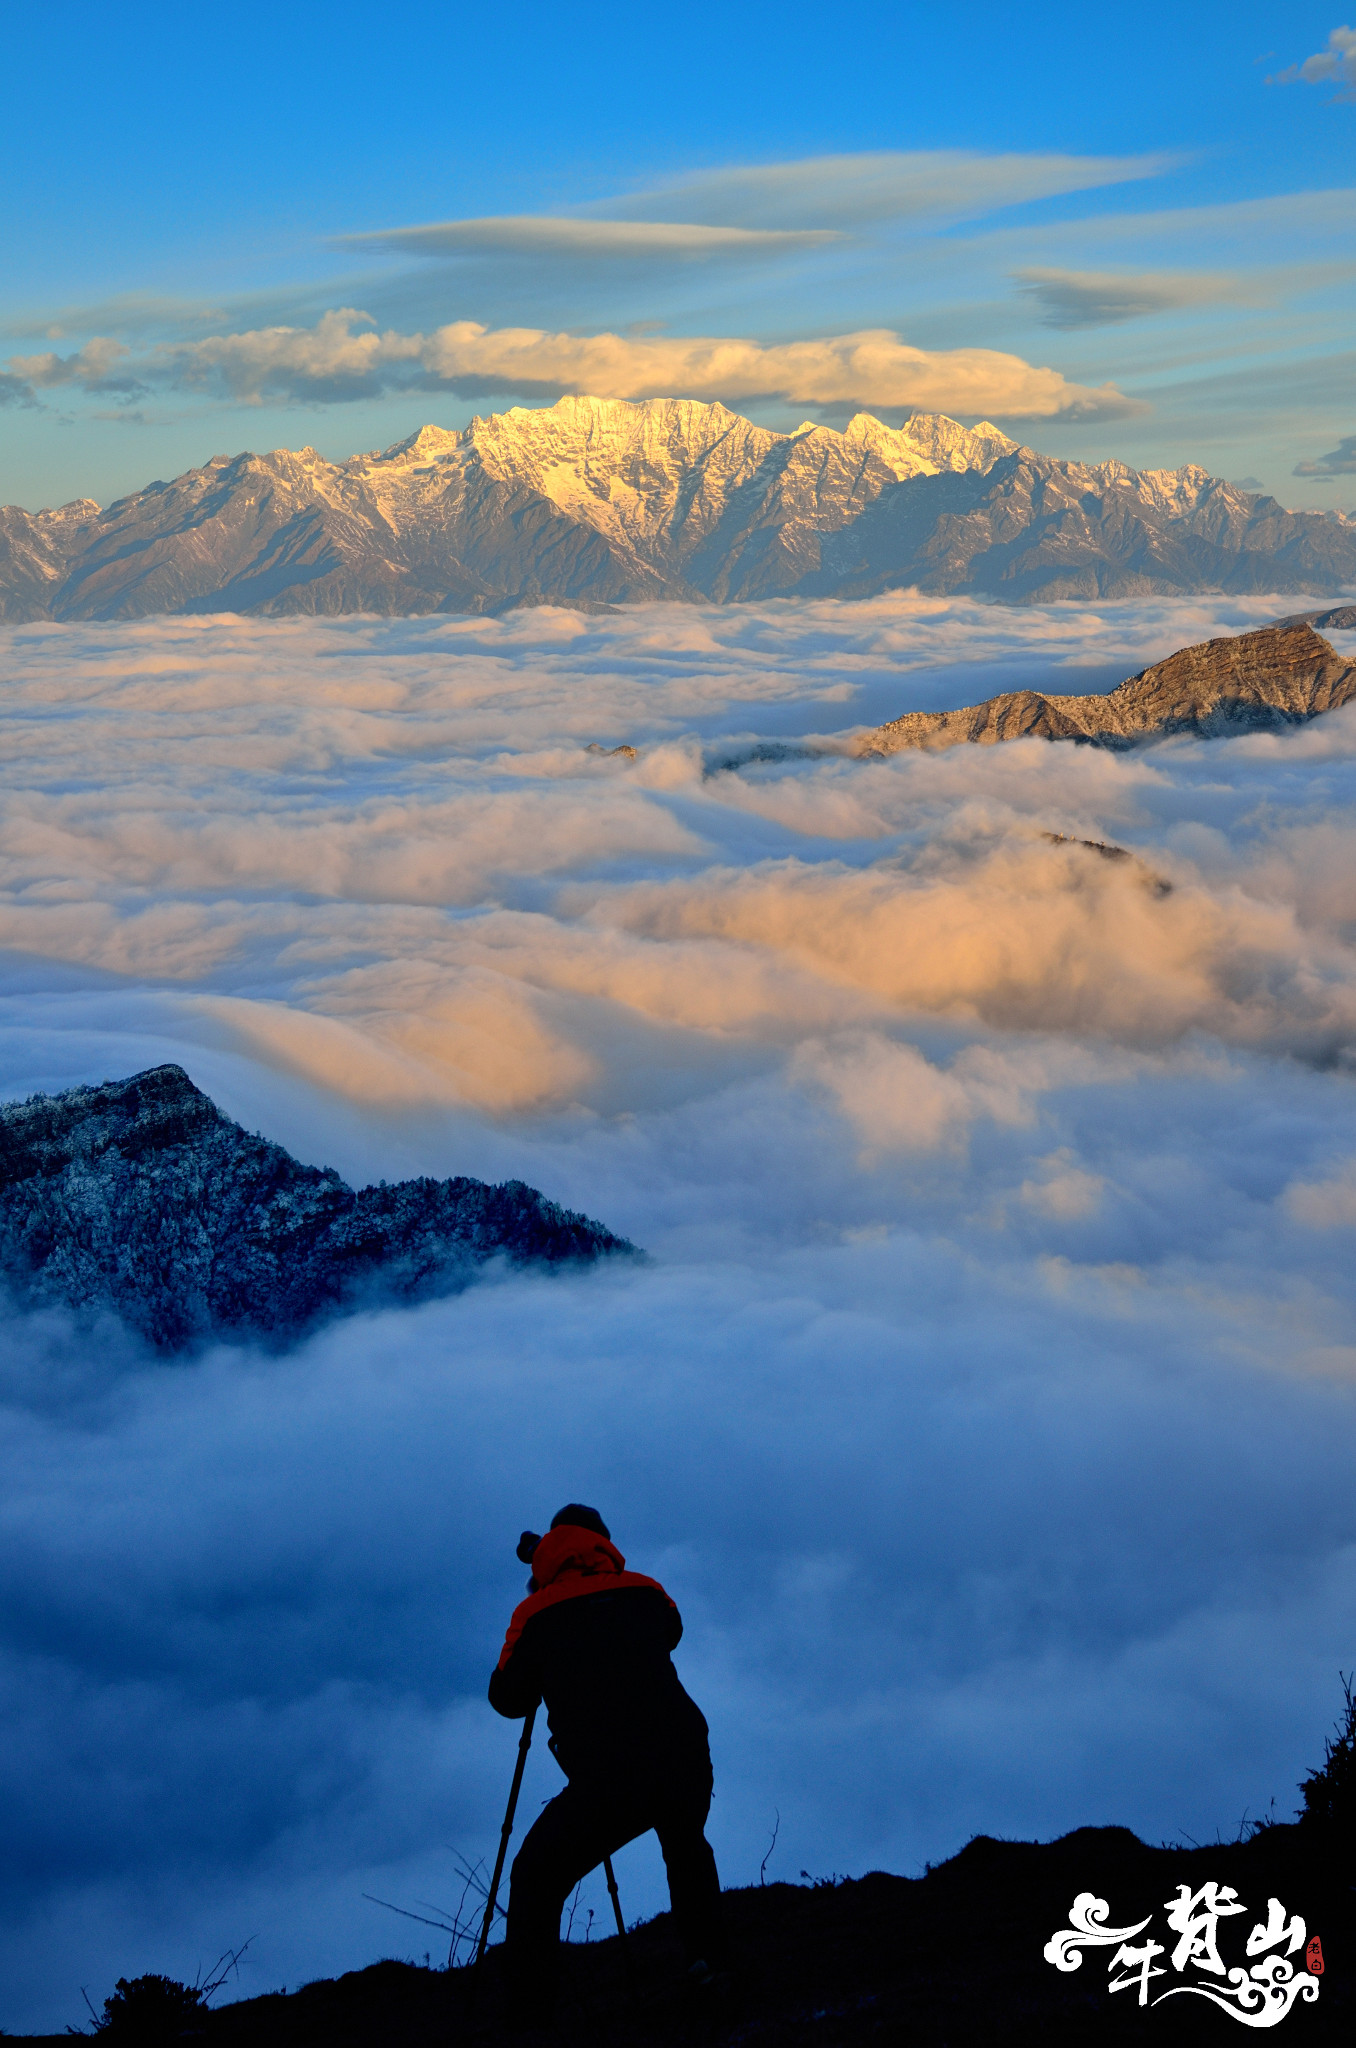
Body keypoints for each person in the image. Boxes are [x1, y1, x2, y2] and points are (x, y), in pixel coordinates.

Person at [488, 1504, 726, 2028]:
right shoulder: (646, 1590)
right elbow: (671, 1631)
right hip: (685, 1750)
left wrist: (545, 1611)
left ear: (545, 1554)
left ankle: (530, 2012)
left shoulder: (536, 1614)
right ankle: (710, 1963)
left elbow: (507, 1697)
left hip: (609, 1778)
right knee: (686, 1844)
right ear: (604, 1544)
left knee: (536, 1876)